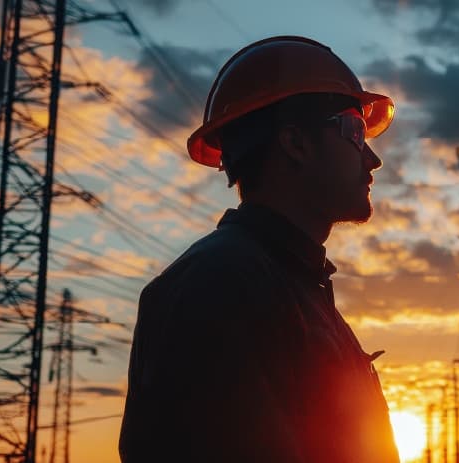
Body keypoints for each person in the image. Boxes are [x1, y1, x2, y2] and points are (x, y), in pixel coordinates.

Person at [119, 36, 400, 463]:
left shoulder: (293, 288)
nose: (372, 159)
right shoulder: (216, 286)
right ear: (296, 143)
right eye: (355, 132)